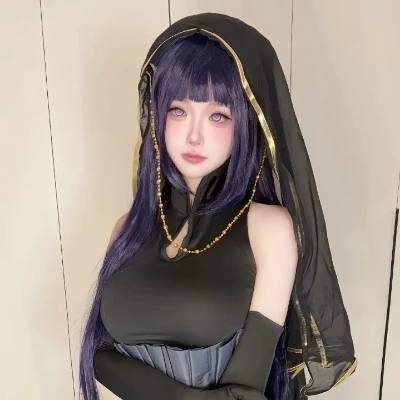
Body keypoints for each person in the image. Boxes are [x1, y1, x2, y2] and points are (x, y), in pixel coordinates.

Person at [79, 13, 357, 400]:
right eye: (178, 110)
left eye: (218, 115)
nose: (194, 136)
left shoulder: (268, 230)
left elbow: (243, 391)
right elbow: (99, 356)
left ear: (247, 123)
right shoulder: (128, 228)